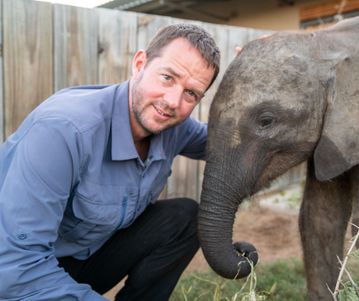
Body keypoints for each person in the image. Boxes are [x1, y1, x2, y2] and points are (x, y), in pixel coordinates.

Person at [0, 23, 220, 301]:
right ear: (139, 64)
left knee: (185, 217)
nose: (173, 101)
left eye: (191, 94)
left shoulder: (175, 127)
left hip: (86, 256)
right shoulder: (63, 130)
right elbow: (14, 268)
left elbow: (231, 146)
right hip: (23, 269)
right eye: (167, 77)